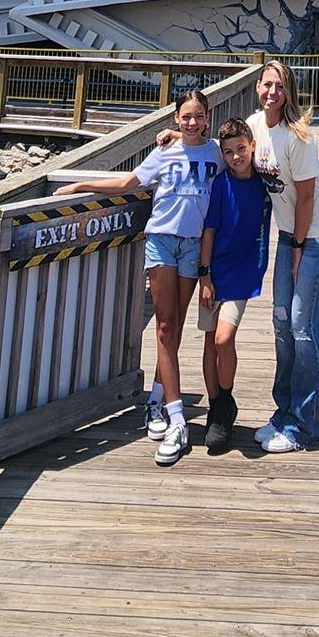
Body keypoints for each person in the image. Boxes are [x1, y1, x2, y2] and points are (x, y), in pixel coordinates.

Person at [58, 86, 217, 466]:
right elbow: (130, 183)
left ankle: (156, 400)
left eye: (198, 116)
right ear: (175, 118)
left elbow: (243, 158)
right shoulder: (164, 152)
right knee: (164, 326)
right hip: (161, 240)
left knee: (174, 327)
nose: (191, 121)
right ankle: (175, 416)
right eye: (185, 117)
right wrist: (83, 184)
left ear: (207, 118)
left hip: (194, 246)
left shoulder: (215, 153)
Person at [248, 59, 319, 454]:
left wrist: (299, 248)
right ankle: (282, 412)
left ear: (289, 93)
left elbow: (306, 197)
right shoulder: (255, 127)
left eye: (280, 87)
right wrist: (174, 136)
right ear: (257, 87)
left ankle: (304, 425)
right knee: (281, 322)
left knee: (302, 327)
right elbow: (231, 154)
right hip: (290, 235)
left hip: (316, 236)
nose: (272, 93)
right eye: (267, 85)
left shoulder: (298, 137)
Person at [195, 118, 273, 455]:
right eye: (228, 152)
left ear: (252, 145)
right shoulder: (220, 183)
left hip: (244, 273)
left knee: (225, 338)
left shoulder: (267, 183)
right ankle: (217, 411)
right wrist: (204, 275)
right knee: (210, 342)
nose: (236, 156)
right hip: (215, 273)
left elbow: (301, 182)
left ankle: (226, 399)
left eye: (241, 149)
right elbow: (209, 231)